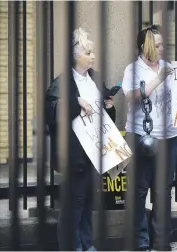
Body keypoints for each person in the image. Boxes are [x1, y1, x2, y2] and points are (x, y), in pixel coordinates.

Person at [45, 27, 116, 251]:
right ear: (76, 55)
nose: (93, 56)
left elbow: (105, 116)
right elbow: (51, 110)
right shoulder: (62, 82)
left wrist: (109, 106)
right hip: (74, 155)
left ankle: (87, 244)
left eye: (93, 52)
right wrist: (76, 103)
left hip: (93, 152)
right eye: (88, 52)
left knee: (87, 202)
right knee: (74, 204)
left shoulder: (94, 79)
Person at [121, 24, 177, 251]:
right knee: (139, 191)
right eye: (157, 45)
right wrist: (158, 80)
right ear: (144, 47)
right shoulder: (132, 70)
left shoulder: (170, 67)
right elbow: (131, 96)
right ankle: (141, 242)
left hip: (169, 137)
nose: (162, 48)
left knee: (163, 191)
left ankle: (162, 241)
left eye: (163, 44)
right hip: (140, 136)